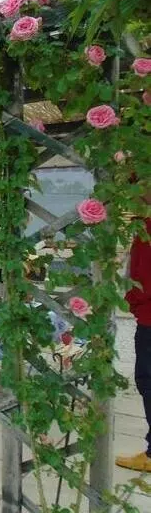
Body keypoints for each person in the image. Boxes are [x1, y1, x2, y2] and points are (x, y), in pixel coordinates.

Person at [116, 185, 151, 472]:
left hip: (150, 319)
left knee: (147, 380)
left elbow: (140, 279)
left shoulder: (146, 229)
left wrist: (132, 301)